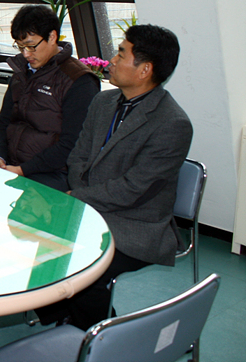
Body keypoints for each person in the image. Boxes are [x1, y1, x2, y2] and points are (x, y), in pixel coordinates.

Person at [36, 24, 192, 330]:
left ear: (145, 69)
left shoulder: (172, 123)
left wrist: (78, 197)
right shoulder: (103, 102)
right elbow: (77, 157)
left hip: (134, 222)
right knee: (33, 235)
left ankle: (101, 336)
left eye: (121, 53)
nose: (112, 60)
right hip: (89, 205)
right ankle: (67, 316)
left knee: (81, 269)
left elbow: (134, 190)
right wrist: (81, 197)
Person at [0, 5, 99, 190]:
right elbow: (2, 122)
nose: (26, 54)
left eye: (31, 46)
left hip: (53, 173)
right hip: (12, 164)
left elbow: (72, 144)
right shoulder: (21, 73)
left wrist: (23, 170)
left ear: (52, 37)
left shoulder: (78, 80)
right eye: (20, 47)